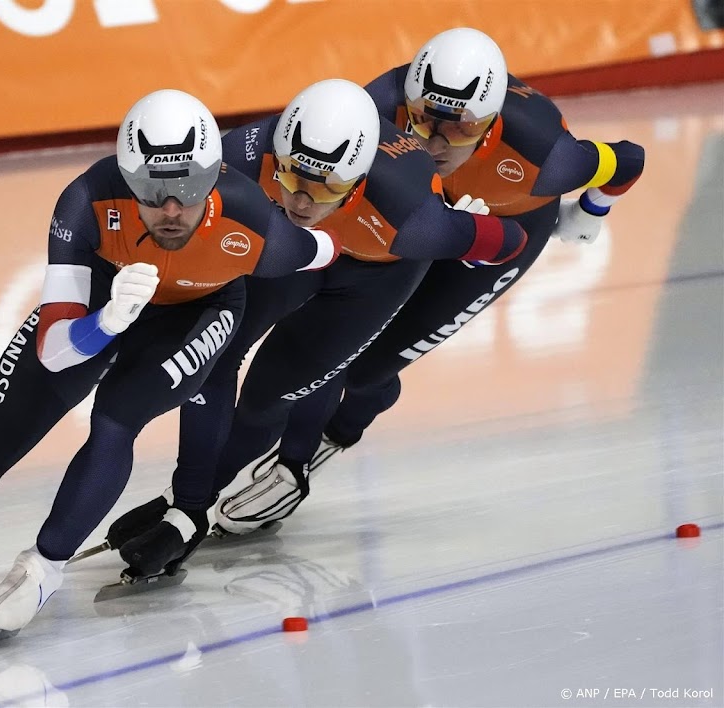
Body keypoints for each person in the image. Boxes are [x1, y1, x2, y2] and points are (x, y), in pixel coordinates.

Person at [0, 88, 344, 642]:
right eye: (153, 191)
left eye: (187, 187)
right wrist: (107, 320)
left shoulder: (251, 222)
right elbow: (55, 350)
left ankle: (43, 568)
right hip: (100, 306)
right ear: (128, 181)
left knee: (115, 416)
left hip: (199, 315)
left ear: (213, 177)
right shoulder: (84, 203)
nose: (172, 208)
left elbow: (321, 247)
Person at [211, 27, 647, 536]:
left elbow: (629, 159)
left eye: (457, 130)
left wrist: (587, 213)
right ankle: (293, 463)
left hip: (498, 232)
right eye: (421, 120)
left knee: (368, 369)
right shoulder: (378, 105)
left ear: (488, 125)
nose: (433, 143)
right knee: (328, 343)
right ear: (408, 102)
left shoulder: (547, 157)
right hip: (404, 224)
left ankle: (345, 426)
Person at [101, 78, 531, 577]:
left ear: (359, 179)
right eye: (292, 177)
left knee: (269, 394)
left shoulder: (417, 221)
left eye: (326, 186)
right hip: (292, 252)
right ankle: (191, 502)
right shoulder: (243, 156)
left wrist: (470, 239)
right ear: (278, 156)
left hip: (373, 273)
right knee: (216, 350)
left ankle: (294, 462)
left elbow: (513, 240)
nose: (303, 201)